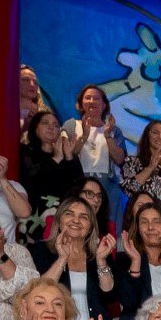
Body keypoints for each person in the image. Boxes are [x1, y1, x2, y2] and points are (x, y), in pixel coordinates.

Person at [27, 197, 115, 320]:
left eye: (83, 217)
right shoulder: (41, 250)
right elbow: (39, 292)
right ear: (59, 221)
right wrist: (62, 258)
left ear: (91, 226)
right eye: (69, 214)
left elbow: (109, 293)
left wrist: (101, 261)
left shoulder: (99, 254)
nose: (76, 220)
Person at [61, 84, 126, 226]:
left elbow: (120, 159)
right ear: (80, 103)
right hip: (79, 185)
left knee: (108, 228)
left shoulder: (114, 131)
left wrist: (108, 135)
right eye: (87, 98)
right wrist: (84, 136)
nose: (92, 101)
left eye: (96, 98)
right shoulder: (71, 126)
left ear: (104, 105)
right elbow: (67, 155)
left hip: (107, 188)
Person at [17, 110, 84, 233]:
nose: (51, 127)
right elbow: (31, 179)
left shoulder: (66, 153)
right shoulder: (25, 151)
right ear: (35, 127)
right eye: (45, 123)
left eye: (56, 125)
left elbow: (79, 185)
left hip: (63, 219)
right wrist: (56, 159)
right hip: (34, 217)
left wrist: (69, 156)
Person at [118, 119, 161, 214]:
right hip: (140, 216)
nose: (160, 137)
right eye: (155, 132)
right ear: (147, 136)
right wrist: (150, 168)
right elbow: (130, 188)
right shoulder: (132, 162)